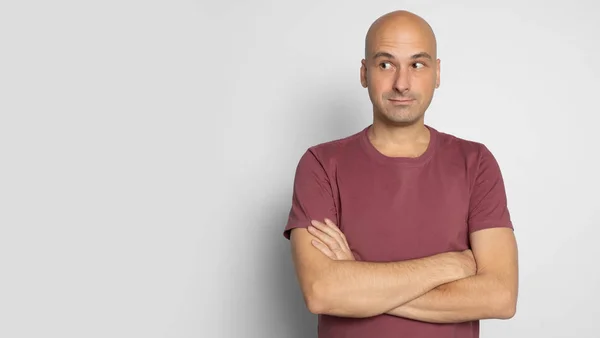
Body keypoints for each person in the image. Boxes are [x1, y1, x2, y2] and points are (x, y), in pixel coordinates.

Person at [282, 9, 519, 338]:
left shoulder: (475, 162)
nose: (401, 83)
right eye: (385, 64)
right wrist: (451, 265)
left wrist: (358, 281)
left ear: (437, 73)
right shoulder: (321, 164)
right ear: (364, 73)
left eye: (417, 65)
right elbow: (322, 291)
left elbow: (500, 297)